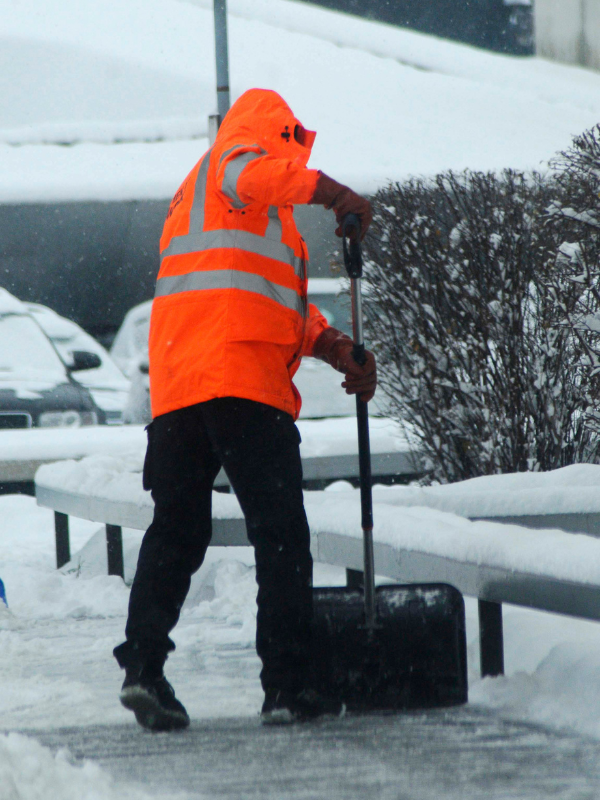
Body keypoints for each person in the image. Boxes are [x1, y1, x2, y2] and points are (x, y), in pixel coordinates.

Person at [113, 88, 377, 729]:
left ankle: (144, 669)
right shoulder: (233, 161)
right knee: (281, 533)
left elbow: (280, 309)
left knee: (176, 530)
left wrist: (335, 346)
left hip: (181, 389)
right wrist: (336, 192)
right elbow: (258, 172)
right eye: (292, 145)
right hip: (240, 383)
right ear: (278, 135)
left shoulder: (235, 212)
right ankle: (286, 686)